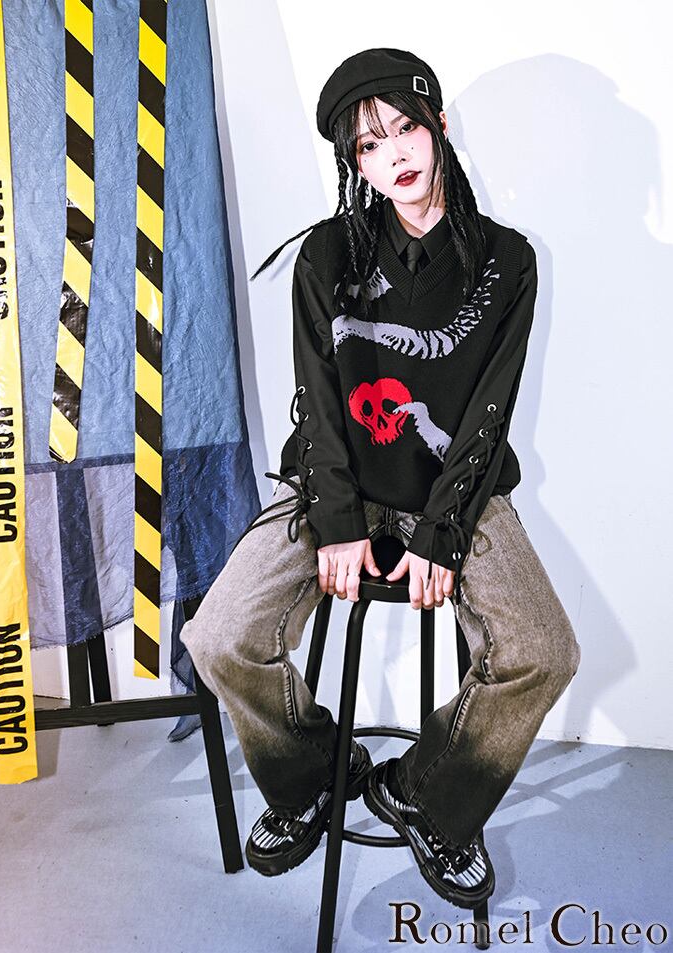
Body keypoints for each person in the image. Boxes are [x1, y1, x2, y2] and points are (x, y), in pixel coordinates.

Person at [180, 48, 581, 910]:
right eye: (368, 145)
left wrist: (442, 531)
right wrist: (334, 522)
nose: (394, 153)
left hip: (455, 488)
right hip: (336, 484)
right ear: (352, 163)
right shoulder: (327, 255)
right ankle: (314, 775)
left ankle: (425, 792)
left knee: (545, 650)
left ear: (438, 128)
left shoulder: (508, 260)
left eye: (405, 129)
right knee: (218, 637)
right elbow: (318, 405)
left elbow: (488, 412)